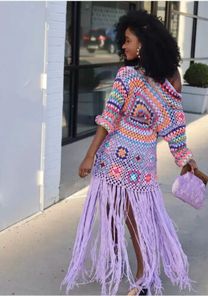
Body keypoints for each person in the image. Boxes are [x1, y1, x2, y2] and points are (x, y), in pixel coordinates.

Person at [60, 10, 197, 296]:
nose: (123, 46)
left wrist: (184, 158)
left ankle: (144, 274)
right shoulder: (127, 76)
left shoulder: (170, 81)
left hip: (141, 164)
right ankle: (115, 263)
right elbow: (108, 118)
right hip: (111, 161)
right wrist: (90, 156)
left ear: (143, 43)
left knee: (136, 220)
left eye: (127, 40)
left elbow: (174, 126)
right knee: (113, 215)